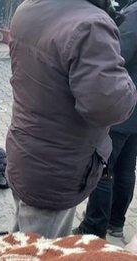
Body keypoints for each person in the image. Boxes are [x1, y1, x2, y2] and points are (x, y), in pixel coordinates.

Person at [6, 0, 137, 239]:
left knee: (22, 239)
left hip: (25, 151)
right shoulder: (91, 24)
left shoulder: (29, 7)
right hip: (57, 166)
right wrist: (128, 84)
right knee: (43, 251)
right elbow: (107, 105)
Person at [73, 0, 137, 239]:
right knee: (126, 168)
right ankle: (116, 223)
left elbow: (115, 55)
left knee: (104, 167)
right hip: (133, 109)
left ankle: (94, 227)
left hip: (123, 106)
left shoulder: (134, 15)